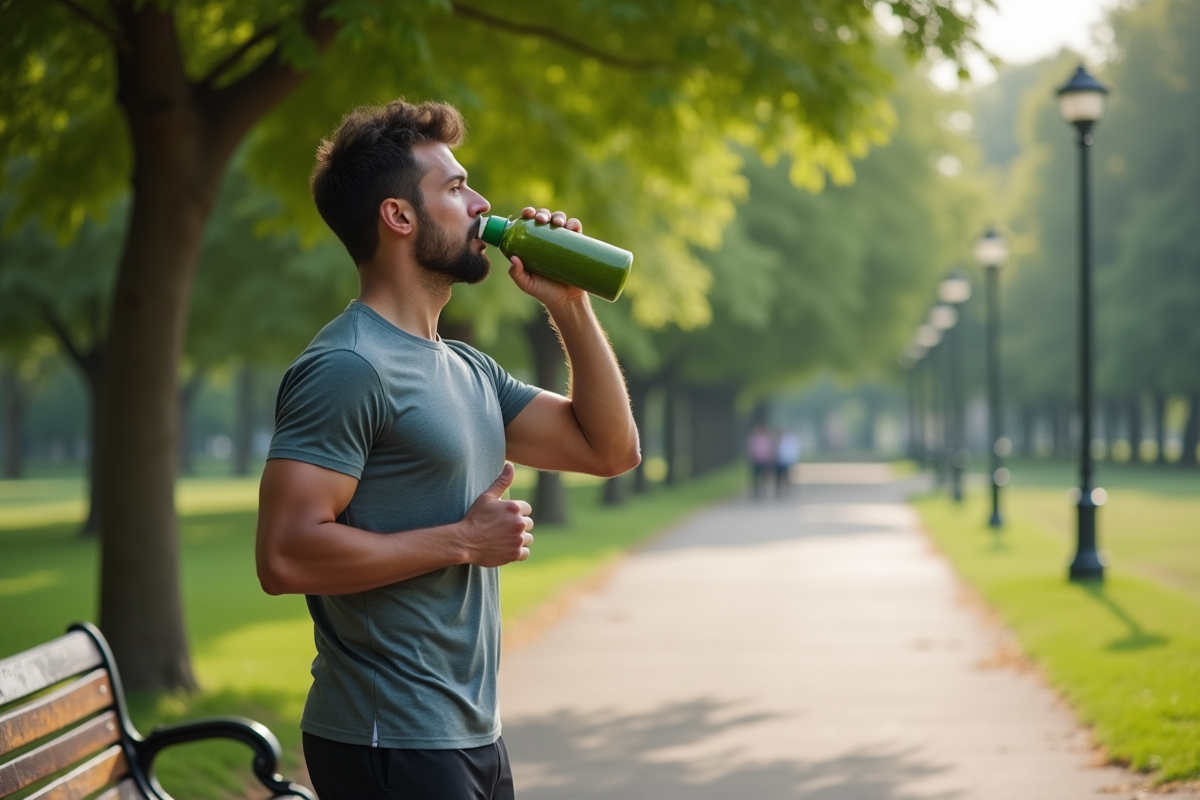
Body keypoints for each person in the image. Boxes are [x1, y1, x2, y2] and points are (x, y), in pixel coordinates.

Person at [255, 100, 640, 800]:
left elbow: (609, 449)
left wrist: (571, 306)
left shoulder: (466, 368)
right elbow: (284, 555)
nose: (482, 202)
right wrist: (462, 540)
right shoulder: (348, 366)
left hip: (470, 732)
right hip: (388, 737)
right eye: (457, 187)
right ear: (399, 217)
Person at [747, 423, 774, 499]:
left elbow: (769, 449)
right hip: (756, 460)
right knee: (755, 478)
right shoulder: (754, 438)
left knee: (764, 477)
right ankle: (756, 492)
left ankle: (764, 491)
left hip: (764, 461)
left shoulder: (766, 438)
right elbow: (751, 448)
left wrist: (769, 457)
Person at [774, 426, 801, 498]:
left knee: (787, 477)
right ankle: (785, 490)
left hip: (787, 460)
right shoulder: (785, 439)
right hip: (783, 460)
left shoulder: (791, 439)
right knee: (785, 477)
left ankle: (787, 490)